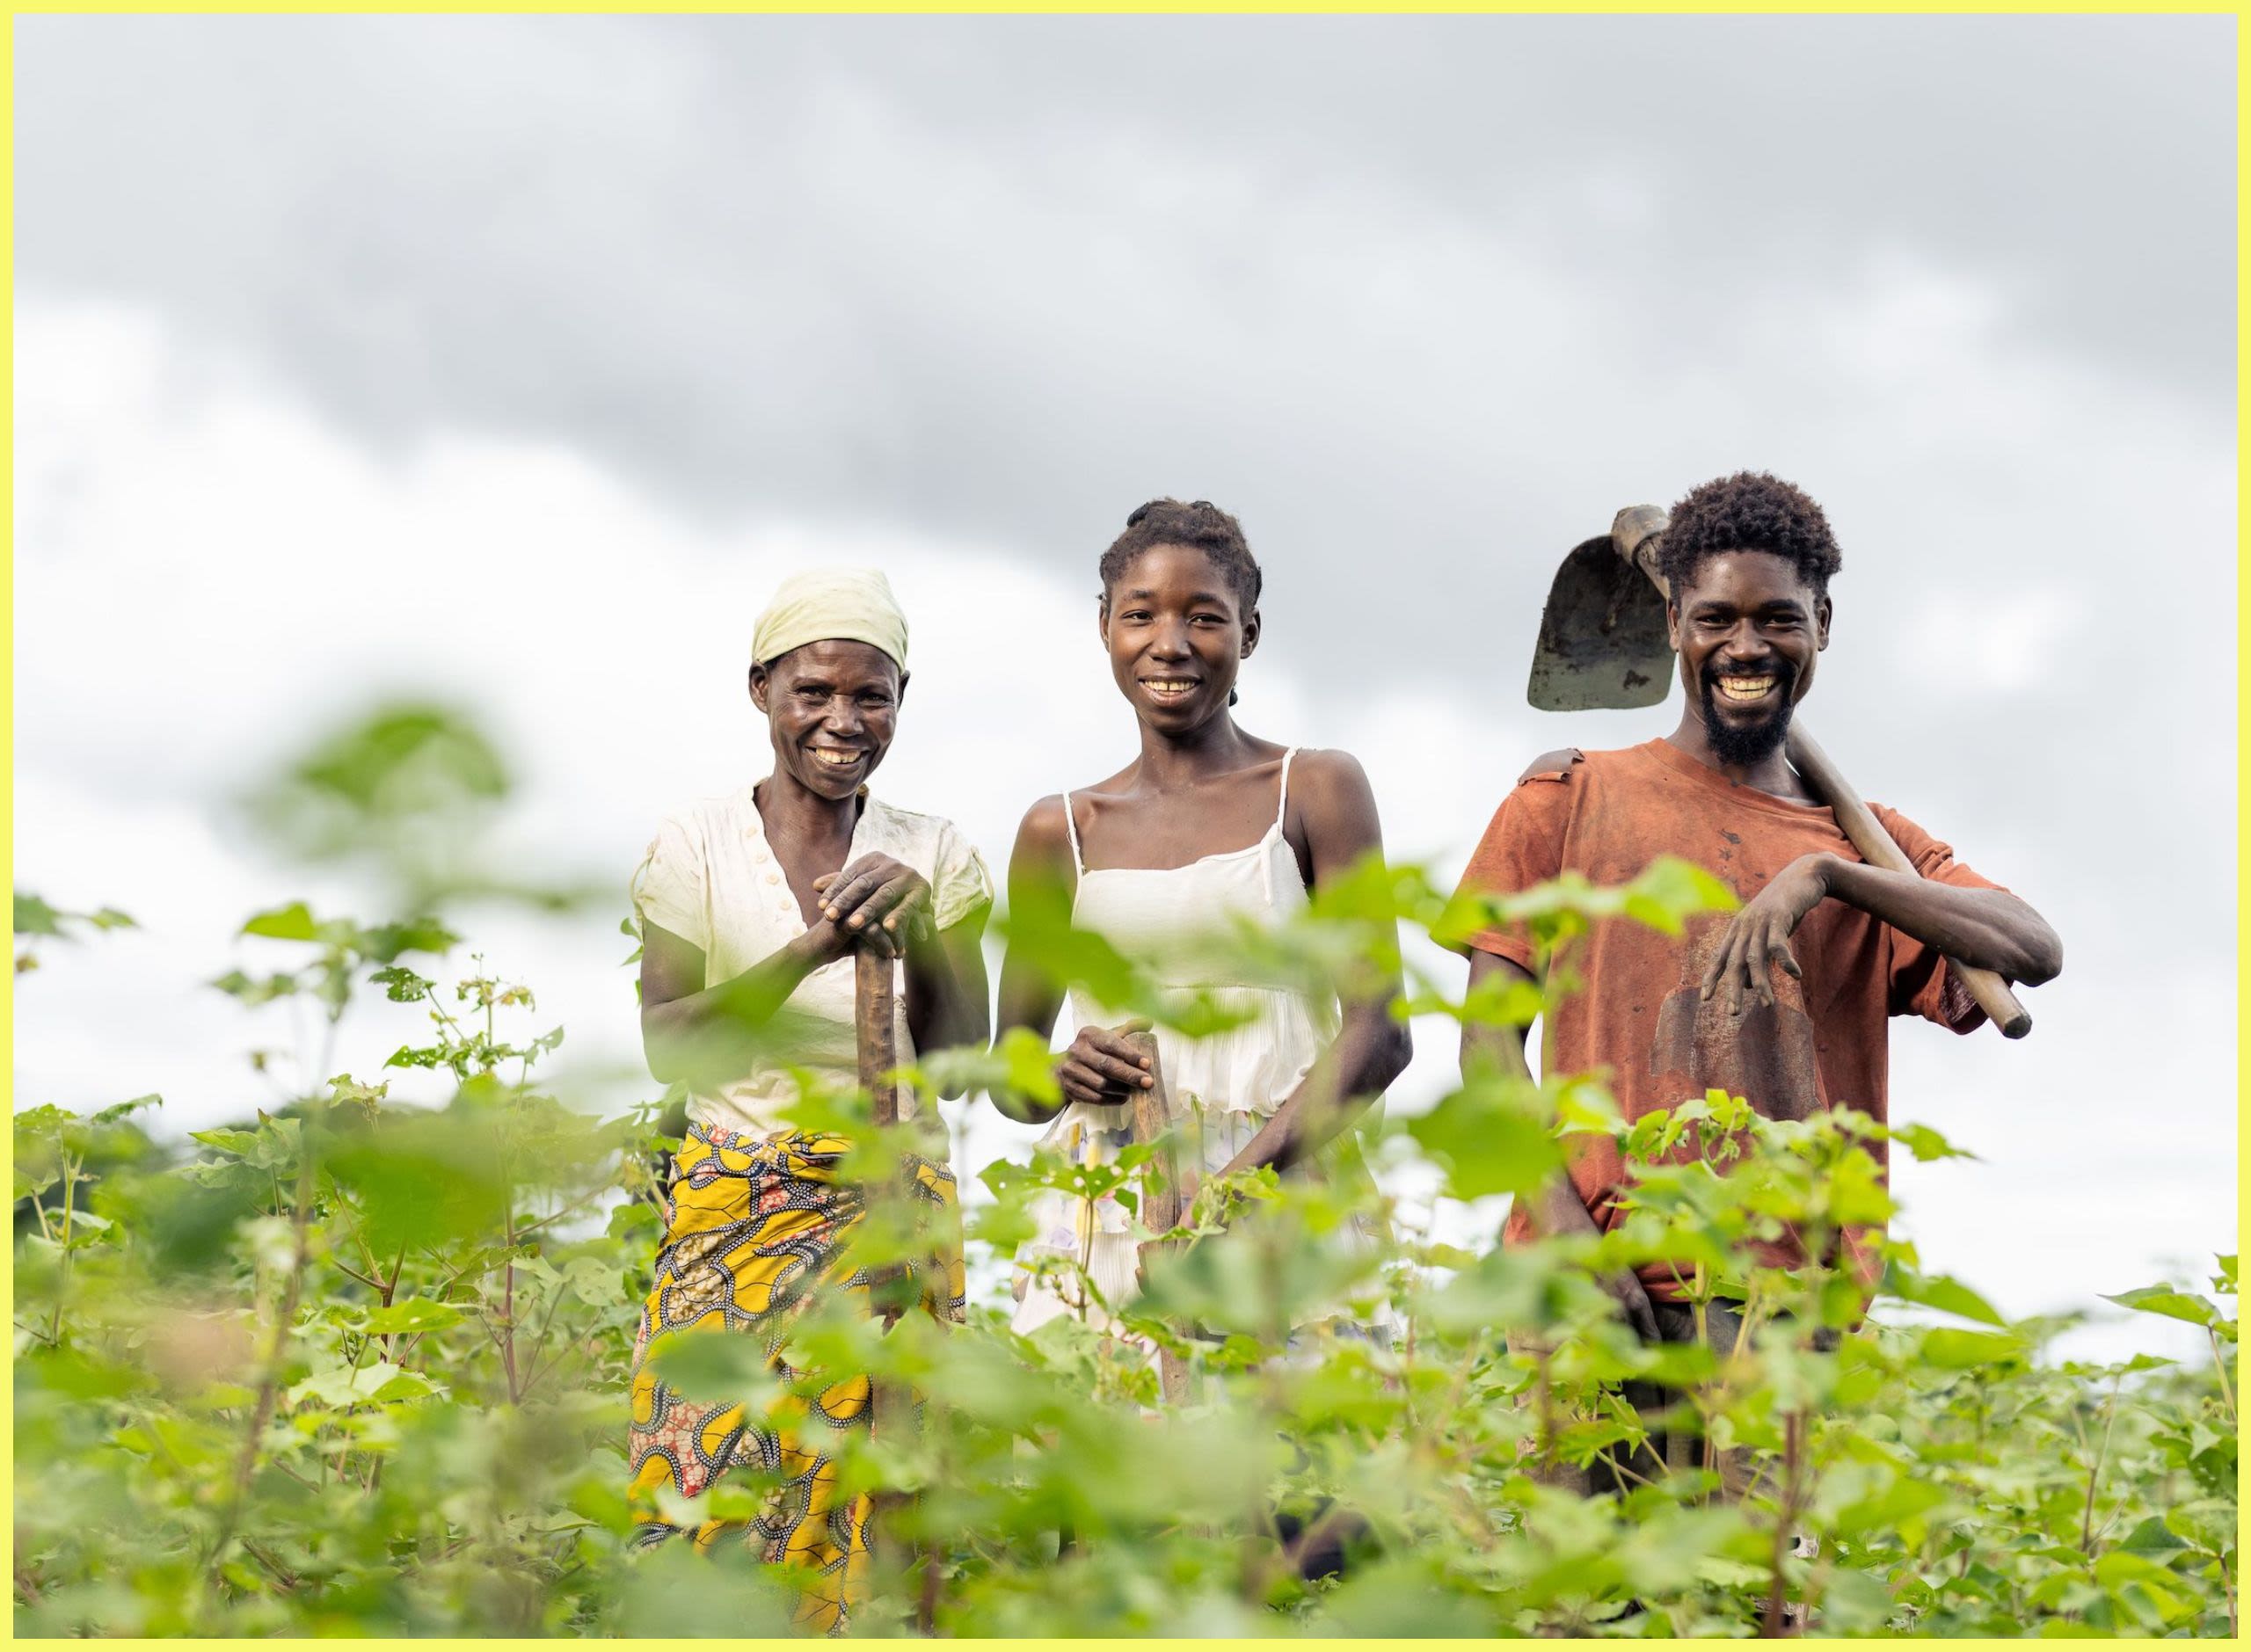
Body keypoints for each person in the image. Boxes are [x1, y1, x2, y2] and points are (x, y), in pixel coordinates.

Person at [1454, 470, 2062, 1474]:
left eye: (1778, 619)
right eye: (1715, 619)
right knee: (1572, 1614)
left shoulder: (1875, 854)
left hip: (1781, 1317)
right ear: (1673, 627)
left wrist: (1828, 877)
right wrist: (1564, 1233)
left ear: (1821, 624)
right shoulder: (1566, 797)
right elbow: (1485, 1044)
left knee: (1758, 1617)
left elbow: (2031, 948)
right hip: (1584, 1291)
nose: (1745, 647)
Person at [624, 567, 992, 1634]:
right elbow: (669, 1046)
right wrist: (811, 947)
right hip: (732, 1212)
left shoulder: (937, 852)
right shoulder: (691, 840)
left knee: (876, 1498)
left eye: (870, 696)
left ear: (899, 703)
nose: (843, 722)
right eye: (813, 692)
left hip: (890, 1222)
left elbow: (962, 1058)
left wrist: (915, 928)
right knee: (696, 1484)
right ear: (760, 693)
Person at [992, 498, 1412, 1348]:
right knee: (1113, 1465)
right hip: (1110, 1222)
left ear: (1248, 633)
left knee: (1303, 1471)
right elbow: (1011, 1081)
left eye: (1205, 618)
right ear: (1104, 625)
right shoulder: (1060, 832)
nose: (1171, 643)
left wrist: (1229, 1195)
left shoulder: (1316, 790)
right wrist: (1063, 1069)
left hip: (1286, 1200)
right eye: (1140, 614)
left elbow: (1381, 1032)